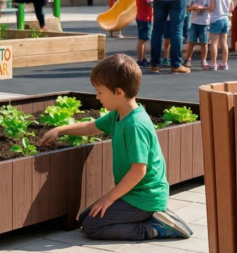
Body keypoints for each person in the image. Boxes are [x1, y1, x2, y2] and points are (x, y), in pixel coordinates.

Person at [41, 54, 193, 241]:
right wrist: (60, 129)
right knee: (85, 217)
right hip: (133, 194)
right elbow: (91, 127)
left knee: (92, 226)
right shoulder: (118, 114)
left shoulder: (135, 125)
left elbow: (139, 171)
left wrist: (109, 198)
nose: (97, 97)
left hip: (145, 198)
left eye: (100, 92)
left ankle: (153, 227)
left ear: (118, 92)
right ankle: (145, 217)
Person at [207, 0, 233, 70]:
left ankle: (213, 63)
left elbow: (212, 8)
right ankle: (224, 63)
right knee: (224, 42)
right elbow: (232, 7)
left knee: (213, 42)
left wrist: (205, 8)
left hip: (215, 19)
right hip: (225, 19)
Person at [184, 0, 212, 70]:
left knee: (204, 42)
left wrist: (202, 8)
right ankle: (188, 59)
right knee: (191, 42)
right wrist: (193, 8)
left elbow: (211, 8)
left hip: (204, 22)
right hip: (194, 22)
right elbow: (187, 8)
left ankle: (203, 60)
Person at [135, 0, 154, 67]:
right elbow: (150, 3)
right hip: (144, 17)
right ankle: (140, 59)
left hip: (144, 16)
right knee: (142, 39)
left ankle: (143, 58)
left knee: (144, 38)